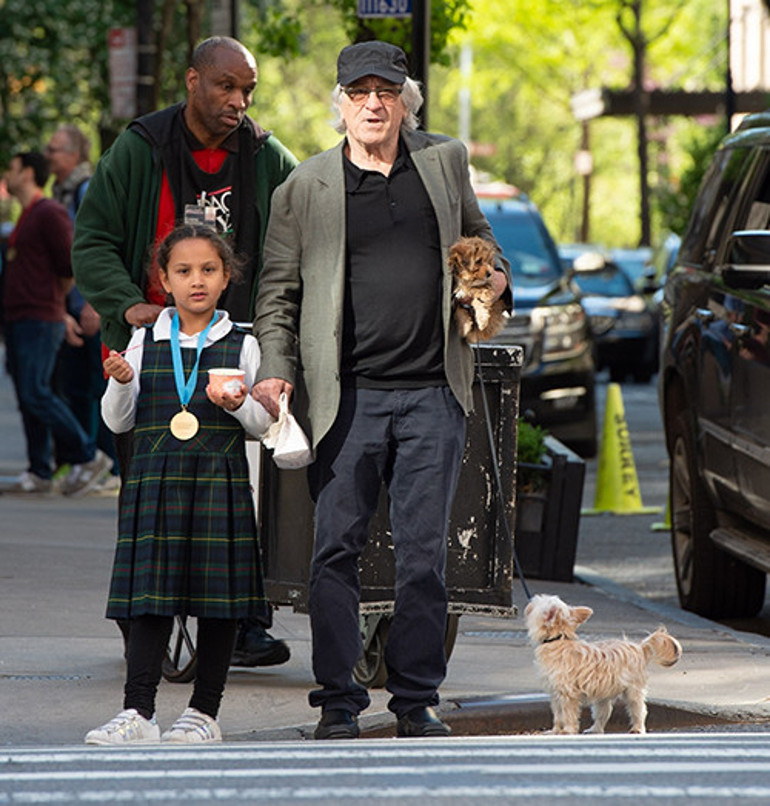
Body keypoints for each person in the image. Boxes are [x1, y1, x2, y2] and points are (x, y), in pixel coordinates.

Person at [252, 41, 512, 740]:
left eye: (386, 91)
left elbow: (482, 242)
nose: (373, 103)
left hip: (434, 393)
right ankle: (338, 701)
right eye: (359, 91)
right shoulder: (304, 188)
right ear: (339, 102)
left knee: (424, 556)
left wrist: (492, 281)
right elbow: (277, 291)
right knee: (333, 552)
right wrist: (276, 370)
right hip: (345, 400)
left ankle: (415, 701)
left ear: (405, 100)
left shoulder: (444, 161)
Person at [71, 35, 296, 666]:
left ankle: (245, 619)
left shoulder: (263, 153)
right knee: (148, 491)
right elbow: (92, 242)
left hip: (231, 345)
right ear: (193, 80)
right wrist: (127, 306)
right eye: (226, 86)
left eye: (247, 90)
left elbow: (307, 219)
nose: (238, 101)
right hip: (154, 349)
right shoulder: (141, 148)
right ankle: (145, 617)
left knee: (241, 493)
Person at [86, 224, 275, 745]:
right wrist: (122, 383)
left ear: (226, 277)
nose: (197, 281)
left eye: (209, 270)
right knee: (149, 599)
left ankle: (204, 713)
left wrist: (242, 406)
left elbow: (263, 425)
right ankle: (138, 712)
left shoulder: (243, 343)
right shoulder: (145, 340)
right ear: (164, 280)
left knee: (220, 600)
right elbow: (118, 422)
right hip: (156, 484)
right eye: (184, 271)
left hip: (218, 483)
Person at [2, 151, 112, 495]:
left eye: (14, 169)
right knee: (26, 394)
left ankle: (87, 454)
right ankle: (39, 471)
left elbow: (70, 263)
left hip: (40, 317)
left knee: (37, 391)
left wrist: (58, 308)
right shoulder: (26, 215)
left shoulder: (48, 212)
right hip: (20, 318)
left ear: (29, 173)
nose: (8, 174)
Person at [46, 124, 119, 491]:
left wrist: (93, 303)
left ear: (75, 155)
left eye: (54, 149)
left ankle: (109, 466)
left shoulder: (86, 189)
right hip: (70, 307)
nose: (48, 156)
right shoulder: (60, 192)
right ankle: (86, 460)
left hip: (91, 307)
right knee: (76, 387)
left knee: (99, 385)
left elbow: (98, 247)